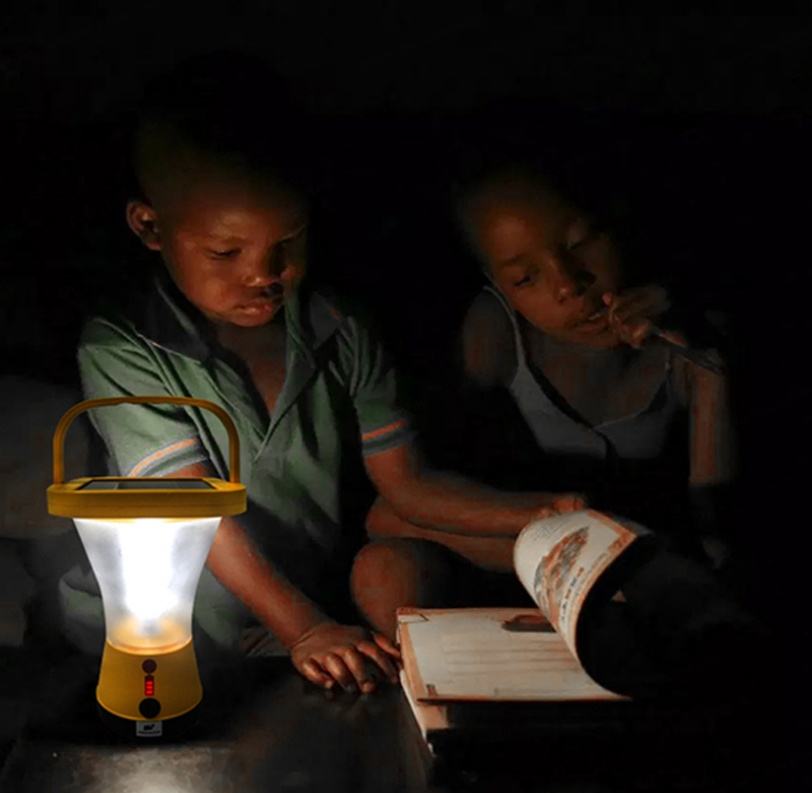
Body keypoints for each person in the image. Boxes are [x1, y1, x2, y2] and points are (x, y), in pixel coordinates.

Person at [58, 56, 583, 695]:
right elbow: (192, 511)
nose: (264, 273)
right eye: (226, 251)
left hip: (302, 621)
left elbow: (407, 485)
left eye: (289, 241)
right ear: (150, 226)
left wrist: (543, 512)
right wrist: (304, 628)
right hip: (163, 635)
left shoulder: (339, 330)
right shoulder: (125, 345)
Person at [369, 160, 734, 569]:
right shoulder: (498, 333)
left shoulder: (688, 338)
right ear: (498, 285)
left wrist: (711, 367)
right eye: (525, 278)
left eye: (581, 243)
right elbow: (415, 498)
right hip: (535, 549)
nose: (567, 285)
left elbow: (717, 532)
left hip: (658, 550)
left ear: (616, 219)